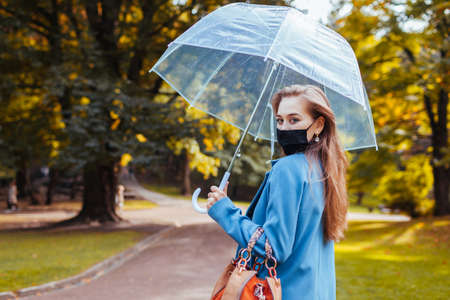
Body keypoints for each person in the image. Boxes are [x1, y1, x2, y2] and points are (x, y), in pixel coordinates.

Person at [207, 84, 349, 300]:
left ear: (319, 124)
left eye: (294, 120)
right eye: (279, 120)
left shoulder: (288, 169)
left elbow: (274, 247)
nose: (284, 128)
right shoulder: (326, 171)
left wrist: (224, 211)